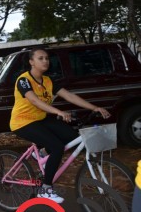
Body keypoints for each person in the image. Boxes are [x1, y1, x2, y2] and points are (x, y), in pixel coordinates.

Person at [10, 48, 110, 203]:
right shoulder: (23, 80)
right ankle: (46, 189)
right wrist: (59, 112)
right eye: (40, 58)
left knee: (72, 136)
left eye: (47, 58)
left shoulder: (48, 81)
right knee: (57, 147)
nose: (45, 61)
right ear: (31, 62)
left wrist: (94, 108)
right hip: (22, 122)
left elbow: (69, 96)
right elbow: (35, 100)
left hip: (40, 119)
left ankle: (42, 152)